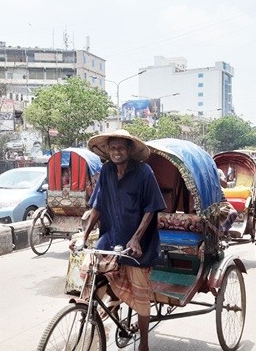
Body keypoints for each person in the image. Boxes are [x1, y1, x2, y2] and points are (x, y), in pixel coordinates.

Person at [74, 129, 165, 351]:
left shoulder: (145, 172)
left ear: (130, 150)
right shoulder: (106, 171)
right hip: (111, 237)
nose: (116, 152)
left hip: (139, 243)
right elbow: (97, 206)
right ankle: (100, 309)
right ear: (107, 151)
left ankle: (144, 342)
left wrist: (136, 239)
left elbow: (151, 208)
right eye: (112, 148)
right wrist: (83, 237)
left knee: (142, 296)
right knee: (90, 272)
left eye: (121, 148)